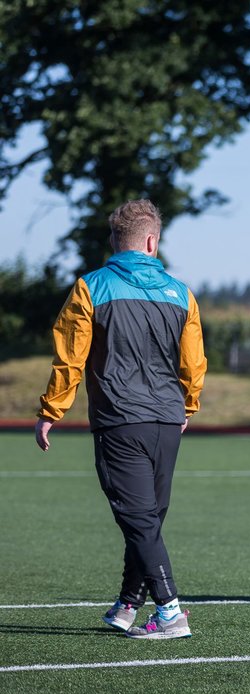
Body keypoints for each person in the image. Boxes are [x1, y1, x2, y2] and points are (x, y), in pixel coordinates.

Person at [36, 199, 207, 639]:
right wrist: (187, 405)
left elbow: (69, 358)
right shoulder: (181, 292)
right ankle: (128, 604)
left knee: (140, 519)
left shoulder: (90, 287)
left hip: (121, 419)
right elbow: (194, 362)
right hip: (168, 421)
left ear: (115, 241)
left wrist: (51, 410)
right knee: (146, 517)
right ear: (152, 241)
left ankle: (170, 611)